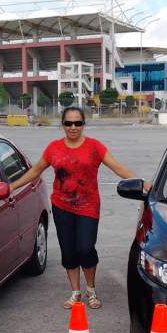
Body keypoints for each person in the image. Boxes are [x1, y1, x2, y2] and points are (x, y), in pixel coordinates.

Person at [9, 106, 151, 310]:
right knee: (68, 251)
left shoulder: (94, 147)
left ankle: (91, 290)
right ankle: (75, 292)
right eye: (68, 123)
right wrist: (12, 186)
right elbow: (35, 171)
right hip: (61, 206)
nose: (73, 127)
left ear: (83, 124)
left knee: (85, 248)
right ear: (63, 125)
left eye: (78, 123)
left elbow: (117, 167)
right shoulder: (53, 148)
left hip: (88, 207)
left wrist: (142, 181)